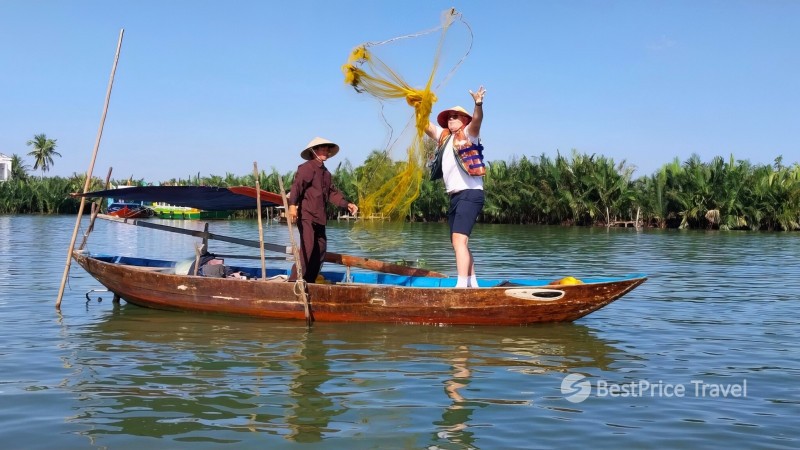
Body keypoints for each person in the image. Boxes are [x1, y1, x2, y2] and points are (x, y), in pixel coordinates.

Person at [424, 86, 486, 288]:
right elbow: (427, 127)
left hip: (470, 193)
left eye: (455, 116)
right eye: (449, 117)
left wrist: (478, 103)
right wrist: (418, 108)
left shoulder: (469, 134)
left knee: (459, 241)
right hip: (455, 197)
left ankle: (461, 286)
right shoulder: (445, 138)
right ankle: (472, 283)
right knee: (458, 242)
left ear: (464, 120)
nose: (451, 119)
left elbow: (477, 120)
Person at [288, 137, 359, 283]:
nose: (326, 152)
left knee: (320, 249)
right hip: (307, 216)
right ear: (314, 151)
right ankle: (294, 281)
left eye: (327, 150)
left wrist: (347, 204)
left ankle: (309, 280)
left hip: (320, 218)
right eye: (323, 149)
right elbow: (297, 186)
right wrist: (292, 205)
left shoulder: (326, 173)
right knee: (307, 248)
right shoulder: (307, 168)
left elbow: (332, 193)